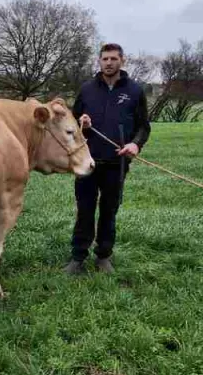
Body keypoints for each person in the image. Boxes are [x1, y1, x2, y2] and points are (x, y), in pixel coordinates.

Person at [64, 43, 151, 274]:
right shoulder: (87, 89)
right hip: (87, 161)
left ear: (123, 60)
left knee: (109, 212)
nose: (109, 63)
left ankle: (103, 256)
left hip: (117, 163)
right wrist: (82, 122)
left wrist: (135, 144)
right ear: (99, 61)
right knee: (84, 211)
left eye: (113, 58)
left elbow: (144, 126)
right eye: (105, 59)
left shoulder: (134, 91)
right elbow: (71, 124)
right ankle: (78, 257)